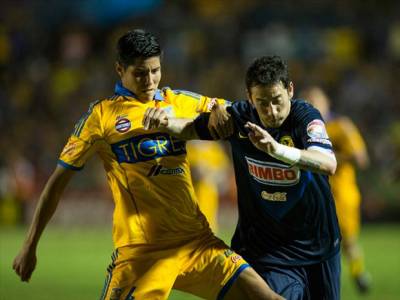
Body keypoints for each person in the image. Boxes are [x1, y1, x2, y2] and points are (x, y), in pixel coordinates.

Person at [12, 30, 283, 300]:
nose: (150, 80)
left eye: (156, 70)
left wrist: (221, 109)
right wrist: (30, 244)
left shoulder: (177, 101)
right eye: (141, 73)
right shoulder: (101, 117)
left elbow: (233, 110)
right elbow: (57, 184)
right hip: (142, 252)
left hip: (196, 242)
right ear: (120, 69)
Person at [143, 55, 342, 299]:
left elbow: (328, 163)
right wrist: (164, 122)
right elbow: (193, 127)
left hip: (320, 245)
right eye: (262, 102)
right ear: (249, 97)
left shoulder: (305, 116)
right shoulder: (239, 119)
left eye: (277, 100)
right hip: (268, 252)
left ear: (290, 90)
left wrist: (276, 150)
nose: (271, 111)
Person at [300, 86, 371, 293]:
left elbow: (361, 159)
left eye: (316, 100)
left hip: (341, 193)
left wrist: (327, 158)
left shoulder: (341, 126)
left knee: (346, 239)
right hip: (313, 194)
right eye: (308, 100)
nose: (312, 104)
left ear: (327, 102)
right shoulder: (303, 127)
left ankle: (357, 272)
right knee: (313, 240)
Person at [187, 140, 230, 232]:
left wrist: (212, 174)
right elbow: (193, 170)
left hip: (210, 196)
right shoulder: (192, 147)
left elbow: (223, 169)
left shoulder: (215, 148)